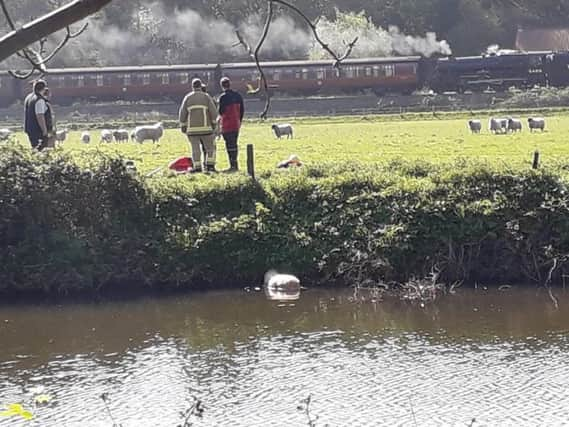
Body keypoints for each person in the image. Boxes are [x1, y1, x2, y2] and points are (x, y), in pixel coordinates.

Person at [179, 78, 219, 173]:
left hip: (192, 130)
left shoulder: (187, 97)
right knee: (210, 148)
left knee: (195, 149)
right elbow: (213, 112)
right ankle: (210, 166)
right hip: (206, 129)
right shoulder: (206, 97)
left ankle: (197, 167)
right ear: (201, 86)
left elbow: (182, 113)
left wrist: (183, 125)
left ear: (192, 86)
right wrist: (214, 124)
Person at [218, 77, 244, 172]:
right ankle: (235, 163)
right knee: (234, 144)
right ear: (230, 84)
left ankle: (232, 165)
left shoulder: (223, 97)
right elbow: (242, 110)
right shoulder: (238, 95)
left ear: (222, 86)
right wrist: (239, 120)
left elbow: (221, 112)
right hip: (236, 124)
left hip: (227, 125)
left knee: (229, 145)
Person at [24, 80, 53, 151]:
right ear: (43, 88)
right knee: (41, 150)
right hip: (38, 130)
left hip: (30, 128)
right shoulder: (39, 100)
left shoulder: (29, 97)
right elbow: (40, 116)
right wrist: (44, 131)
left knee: (35, 148)